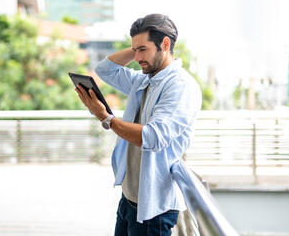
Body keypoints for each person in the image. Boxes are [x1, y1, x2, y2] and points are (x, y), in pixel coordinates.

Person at [75, 13, 202, 236]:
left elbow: (152, 137)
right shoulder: (145, 79)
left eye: (143, 50)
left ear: (165, 44)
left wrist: (106, 118)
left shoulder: (181, 86)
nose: (137, 57)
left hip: (153, 209)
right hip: (130, 198)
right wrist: (138, 48)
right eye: (135, 50)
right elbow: (105, 69)